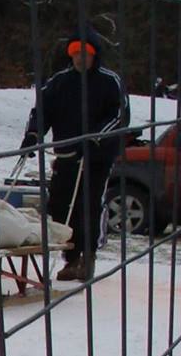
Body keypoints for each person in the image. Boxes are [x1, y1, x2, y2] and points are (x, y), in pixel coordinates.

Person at [21, 27, 130, 281]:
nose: (80, 58)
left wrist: (94, 137)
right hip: (67, 155)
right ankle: (70, 258)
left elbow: (119, 115)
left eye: (86, 53)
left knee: (89, 204)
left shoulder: (109, 80)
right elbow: (41, 111)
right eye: (75, 53)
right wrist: (33, 134)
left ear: (94, 55)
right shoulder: (59, 82)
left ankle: (88, 255)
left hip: (97, 157)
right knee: (59, 205)